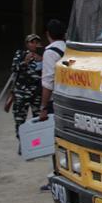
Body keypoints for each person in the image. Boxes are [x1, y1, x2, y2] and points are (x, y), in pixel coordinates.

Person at [38, 19, 67, 191]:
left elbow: (48, 82)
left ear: (48, 34)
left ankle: (58, 176)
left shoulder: (50, 52)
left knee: (54, 140)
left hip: (55, 101)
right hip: (69, 99)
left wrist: (43, 107)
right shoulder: (70, 48)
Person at [10, 34, 44, 146]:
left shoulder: (44, 55)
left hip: (37, 93)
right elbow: (14, 68)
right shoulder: (20, 54)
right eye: (31, 42)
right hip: (21, 92)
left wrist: (42, 60)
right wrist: (25, 62)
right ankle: (23, 144)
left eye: (36, 42)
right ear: (27, 44)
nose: (34, 44)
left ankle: (36, 144)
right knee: (20, 120)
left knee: (38, 120)